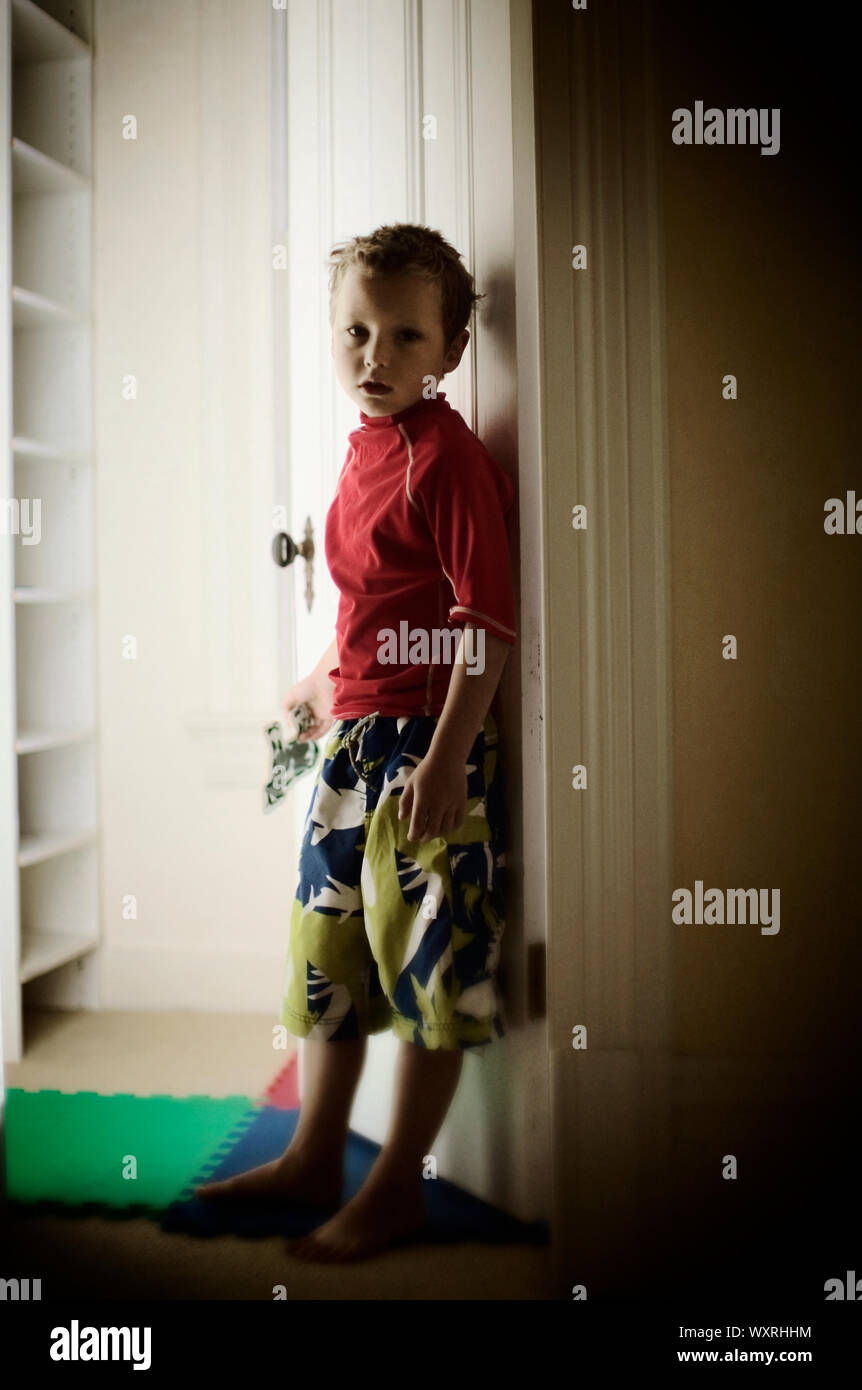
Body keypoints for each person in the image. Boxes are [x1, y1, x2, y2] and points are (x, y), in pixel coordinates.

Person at [198, 223, 517, 1262]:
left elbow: (487, 628)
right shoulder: (361, 448)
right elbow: (373, 606)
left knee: (431, 966)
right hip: (354, 741)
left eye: (403, 336)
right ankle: (311, 1154)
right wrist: (322, 686)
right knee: (327, 959)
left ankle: (395, 1190)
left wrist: (441, 763)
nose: (374, 357)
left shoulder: (449, 458)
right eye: (355, 331)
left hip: (429, 751)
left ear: (448, 352)